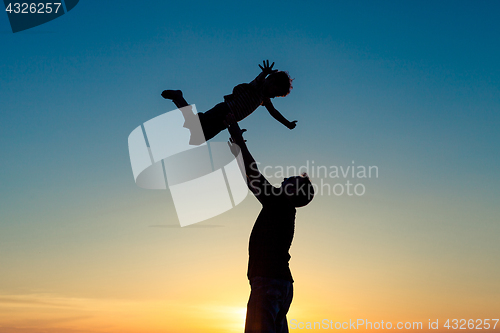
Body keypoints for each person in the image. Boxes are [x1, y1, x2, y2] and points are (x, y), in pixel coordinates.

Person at [224, 113, 315, 333]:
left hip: (268, 282)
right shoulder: (283, 210)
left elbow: (253, 176)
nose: (284, 179)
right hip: (279, 284)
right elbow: (251, 178)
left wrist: (239, 142)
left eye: (289, 180)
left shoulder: (280, 204)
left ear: (292, 191)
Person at [161, 60, 297, 145]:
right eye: (275, 92)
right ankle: (178, 97)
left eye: (277, 96)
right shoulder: (258, 86)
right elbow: (260, 79)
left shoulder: (264, 99)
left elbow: (274, 112)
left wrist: (287, 123)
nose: (273, 96)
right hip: (224, 110)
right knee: (195, 124)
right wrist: (265, 73)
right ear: (271, 81)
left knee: (198, 138)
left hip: (226, 122)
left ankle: (178, 99)